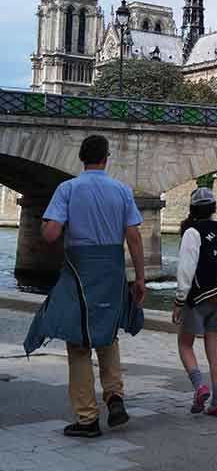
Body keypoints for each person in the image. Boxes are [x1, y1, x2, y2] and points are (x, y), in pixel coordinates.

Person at [24, 135, 145, 438]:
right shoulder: (121, 190)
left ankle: (87, 417)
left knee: (78, 342)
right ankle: (115, 396)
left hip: (79, 268)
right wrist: (139, 278)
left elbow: (51, 234)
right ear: (107, 158)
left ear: (81, 158)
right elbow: (133, 236)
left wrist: (44, 223)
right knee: (107, 332)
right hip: (113, 268)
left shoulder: (68, 189)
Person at [172, 187, 217, 417]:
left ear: (192, 209)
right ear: (213, 209)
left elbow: (186, 268)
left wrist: (180, 300)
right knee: (214, 350)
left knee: (184, 344)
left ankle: (199, 386)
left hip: (199, 298)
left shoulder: (192, 231)